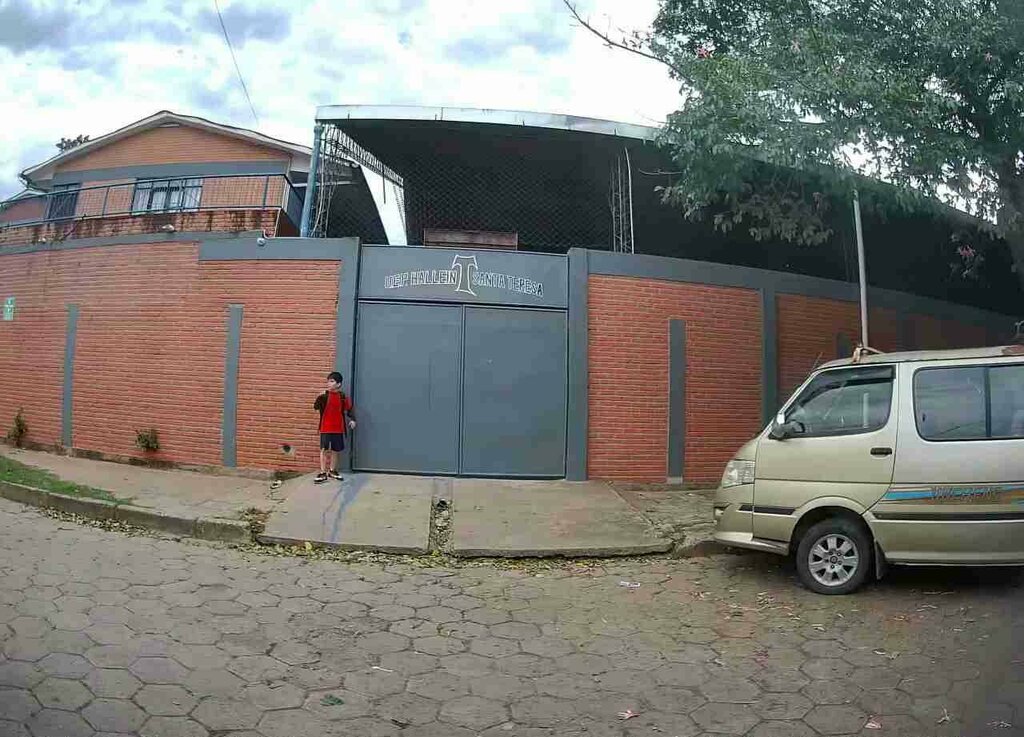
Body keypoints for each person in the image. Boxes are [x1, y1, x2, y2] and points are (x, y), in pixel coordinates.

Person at [313, 371, 356, 484]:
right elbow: (316, 407)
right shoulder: (324, 396)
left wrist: (352, 419)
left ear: (338, 384)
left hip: (338, 428)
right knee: (324, 450)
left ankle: (332, 470)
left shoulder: (342, 397)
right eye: (328, 381)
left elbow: (349, 409)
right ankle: (323, 472)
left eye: (332, 381)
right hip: (325, 427)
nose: (329, 383)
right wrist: (319, 396)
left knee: (336, 450)